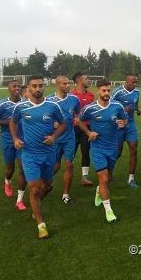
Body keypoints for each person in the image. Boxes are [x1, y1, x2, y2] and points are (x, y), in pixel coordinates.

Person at [10, 76, 66, 239]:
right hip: (29, 154)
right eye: (34, 86)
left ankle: (36, 205)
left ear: (44, 87)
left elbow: (63, 124)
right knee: (34, 188)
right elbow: (12, 123)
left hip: (48, 153)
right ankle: (41, 225)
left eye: (40, 86)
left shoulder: (52, 106)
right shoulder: (21, 107)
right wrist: (15, 139)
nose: (38, 89)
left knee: (47, 186)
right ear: (28, 88)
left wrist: (54, 137)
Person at [78, 79, 127, 223]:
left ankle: (99, 191)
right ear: (98, 91)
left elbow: (125, 120)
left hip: (112, 146)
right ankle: (109, 211)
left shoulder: (117, 106)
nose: (106, 93)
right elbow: (78, 120)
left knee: (108, 178)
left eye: (108, 90)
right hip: (97, 147)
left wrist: (123, 123)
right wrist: (88, 133)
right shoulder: (90, 108)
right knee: (104, 178)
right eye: (103, 90)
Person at [0, 79, 27, 210]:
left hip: (22, 139)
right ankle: (7, 181)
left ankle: (19, 200)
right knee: (10, 168)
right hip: (7, 139)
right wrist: (7, 122)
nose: (17, 88)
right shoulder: (2, 104)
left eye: (19, 86)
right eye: (14, 86)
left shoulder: (25, 103)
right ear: (9, 88)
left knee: (22, 168)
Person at [47, 75, 81, 204]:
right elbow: (43, 118)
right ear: (58, 85)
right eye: (65, 84)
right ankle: (47, 181)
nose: (68, 86)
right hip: (54, 138)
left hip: (69, 137)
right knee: (55, 166)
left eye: (69, 83)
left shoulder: (74, 99)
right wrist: (52, 124)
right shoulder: (49, 100)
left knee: (69, 164)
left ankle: (65, 194)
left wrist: (77, 119)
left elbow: (77, 112)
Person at [111, 74, 141, 189]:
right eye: (132, 82)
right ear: (126, 81)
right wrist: (123, 110)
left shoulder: (136, 92)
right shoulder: (117, 92)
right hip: (118, 124)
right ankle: (109, 170)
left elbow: (135, 103)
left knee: (134, 150)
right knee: (117, 152)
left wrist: (137, 109)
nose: (134, 84)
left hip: (131, 124)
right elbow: (109, 107)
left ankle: (131, 179)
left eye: (136, 82)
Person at [71, 72, 95, 186]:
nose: (89, 80)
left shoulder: (91, 95)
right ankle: (67, 171)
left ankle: (84, 178)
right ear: (79, 81)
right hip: (74, 129)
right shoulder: (71, 95)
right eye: (87, 78)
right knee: (71, 152)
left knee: (86, 152)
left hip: (87, 128)